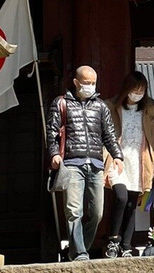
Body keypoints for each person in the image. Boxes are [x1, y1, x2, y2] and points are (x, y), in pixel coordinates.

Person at [46, 65, 123, 261]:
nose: (90, 86)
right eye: (86, 82)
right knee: (74, 211)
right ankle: (80, 253)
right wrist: (54, 154)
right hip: (71, 163)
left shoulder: (101, 106)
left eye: (93, 83)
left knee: (97, 213)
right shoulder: (61, 103)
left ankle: (76, 249)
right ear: (76, 82)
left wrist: (117, 155)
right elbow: (52, 132)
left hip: (96, 164)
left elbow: (109, 134)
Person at [103, 71, 154, 258]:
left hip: (139, 161)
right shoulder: (112, 108)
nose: (137, 94)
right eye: (134, 90)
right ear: (126, 89)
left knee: (131, 204)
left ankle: (126, 245)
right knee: (121, 198)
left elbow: (153, 141)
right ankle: (113, 240)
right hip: (117, 159)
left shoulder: (148, 112)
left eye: (141, 91)